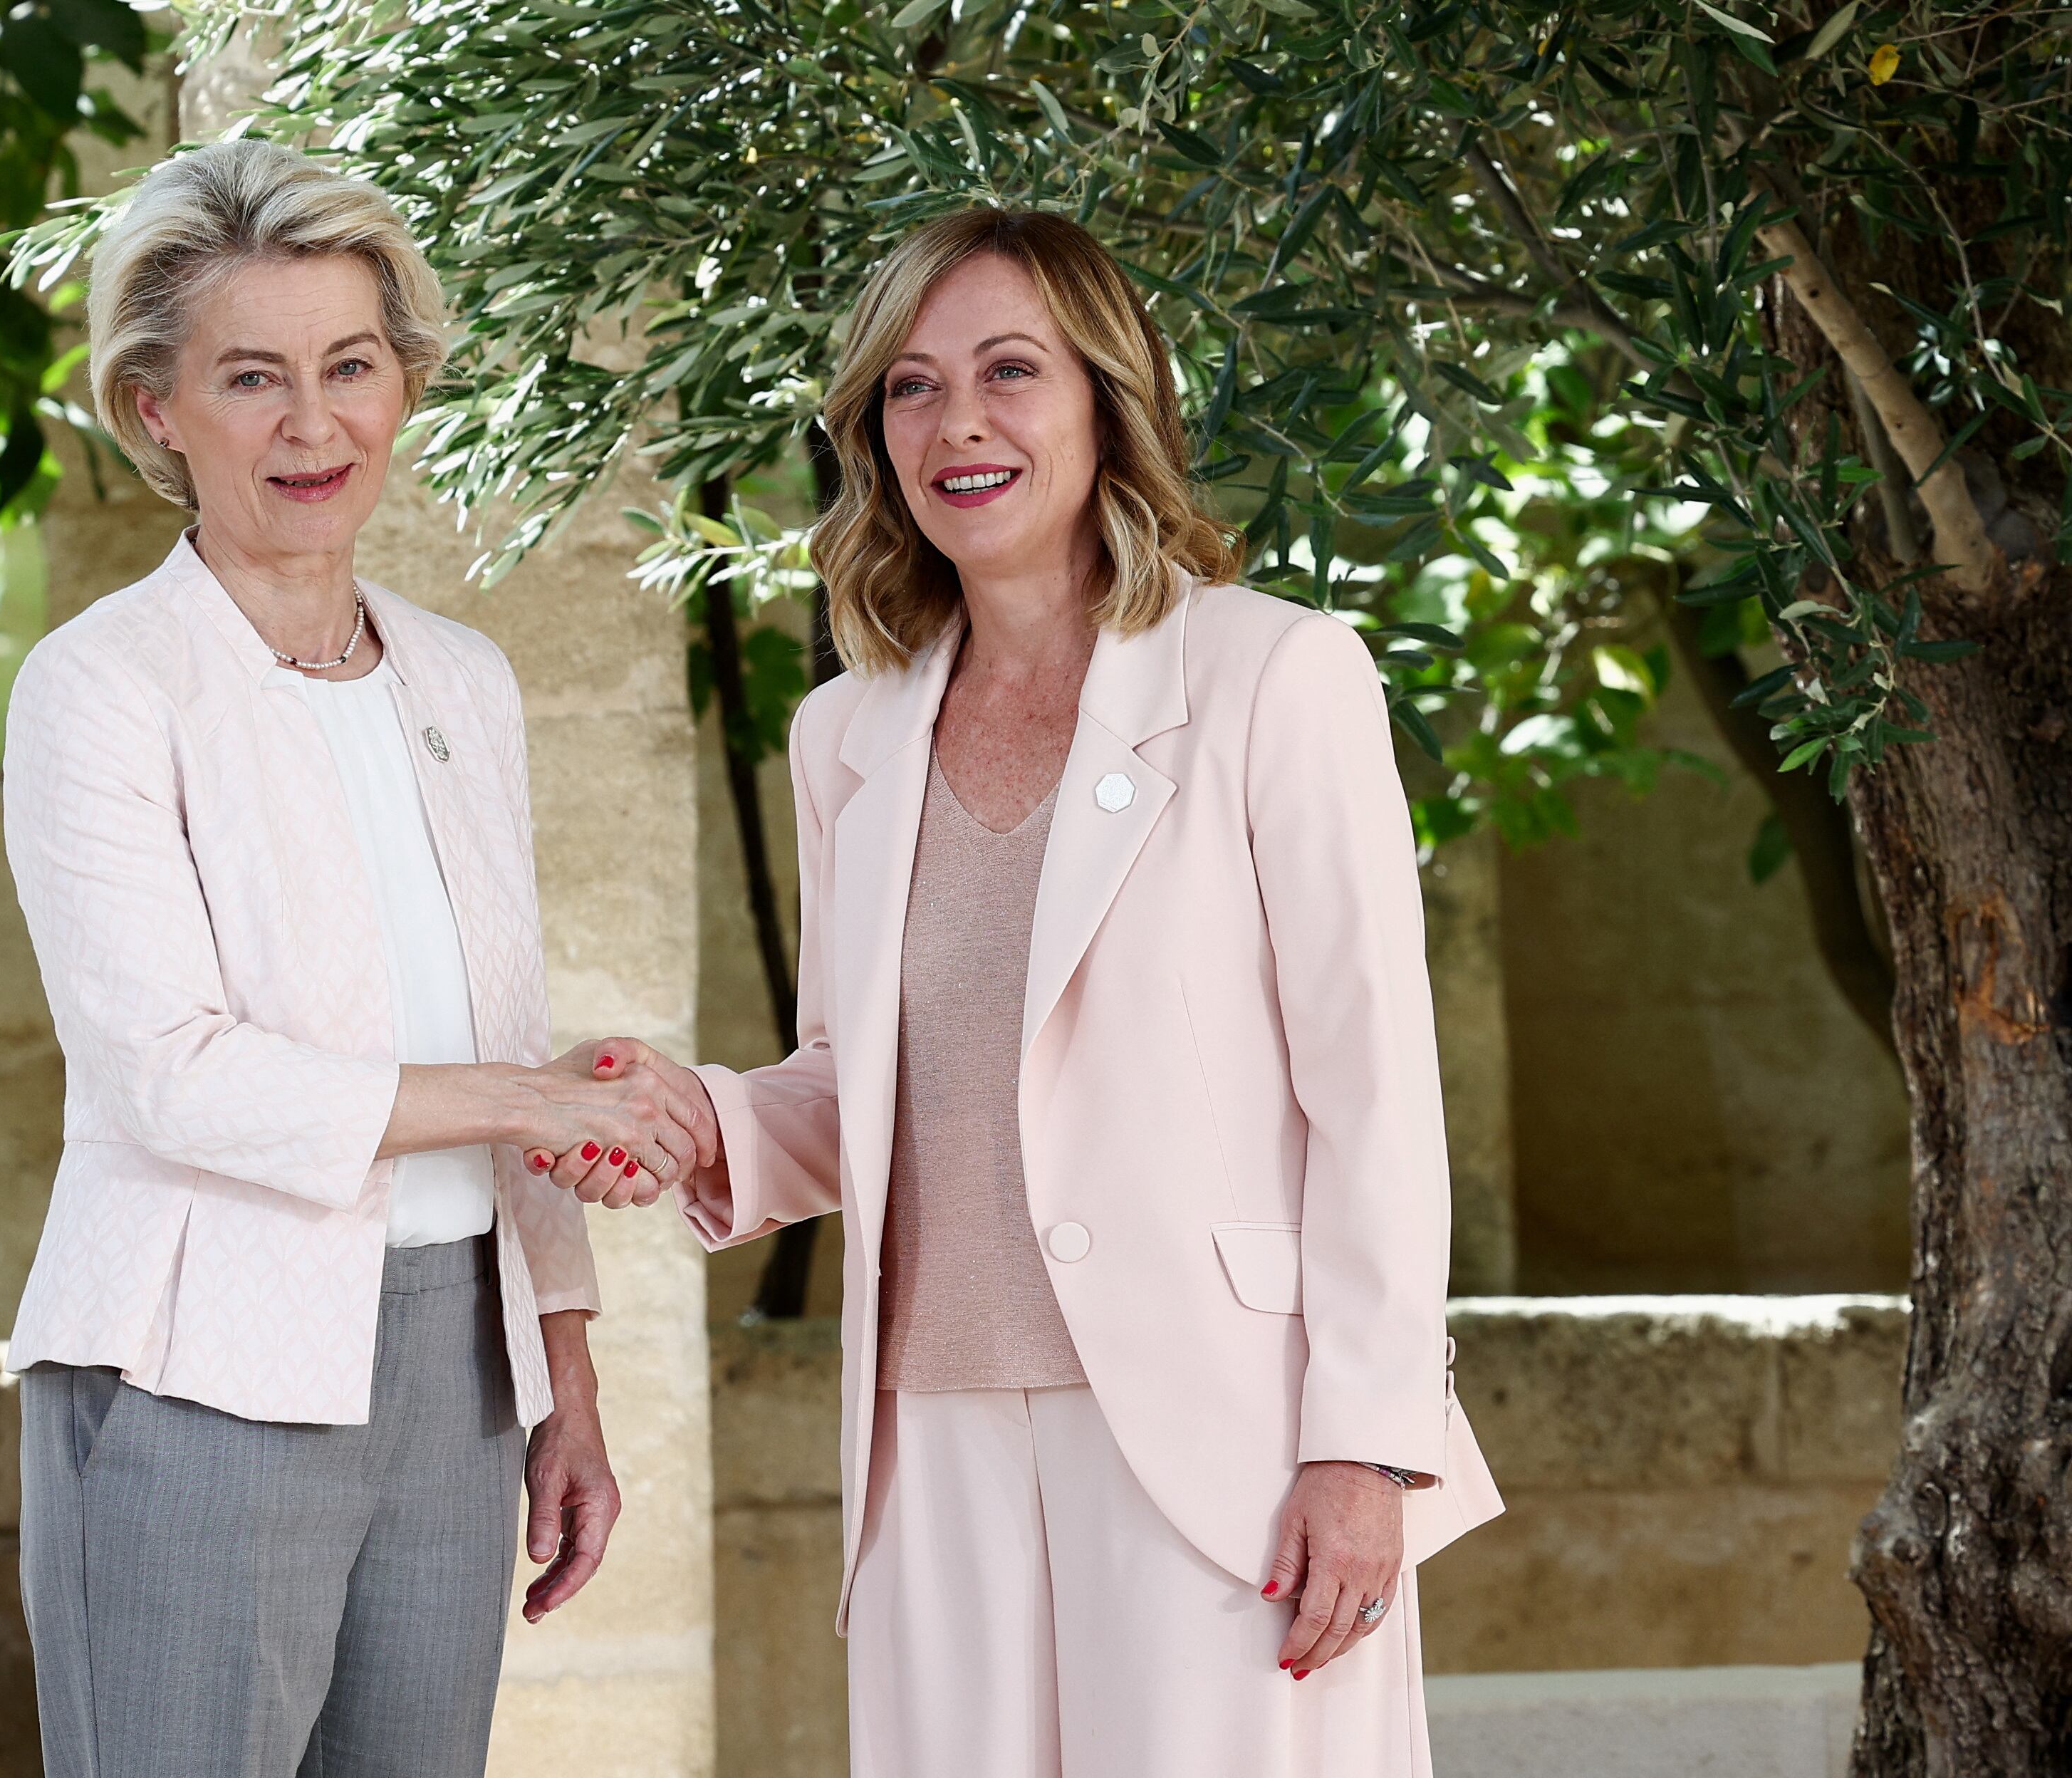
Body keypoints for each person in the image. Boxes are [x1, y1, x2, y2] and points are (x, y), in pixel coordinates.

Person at [600, 207, 1503, 1775]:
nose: (960, 423)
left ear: (1107, 396)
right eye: (911, 386)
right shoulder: (846, 736)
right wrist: (698, 1123)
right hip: (926, 1427)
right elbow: (867, 1081)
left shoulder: (1274, 677)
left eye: (1010, 371)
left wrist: (1370, 1448)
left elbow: (1373, 1095)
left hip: (1220, 1435)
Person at [0, 138, 712, 1778]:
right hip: (196, 1376)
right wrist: (525, 1097)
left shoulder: (462, 680)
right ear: (156, 409)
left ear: (403, 386)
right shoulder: (100, 687)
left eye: (351, 367)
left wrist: (565, 1372)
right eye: (252, 376)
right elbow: (169, 1074)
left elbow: (499, 1043)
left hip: (458, 1373)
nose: (312, 425)